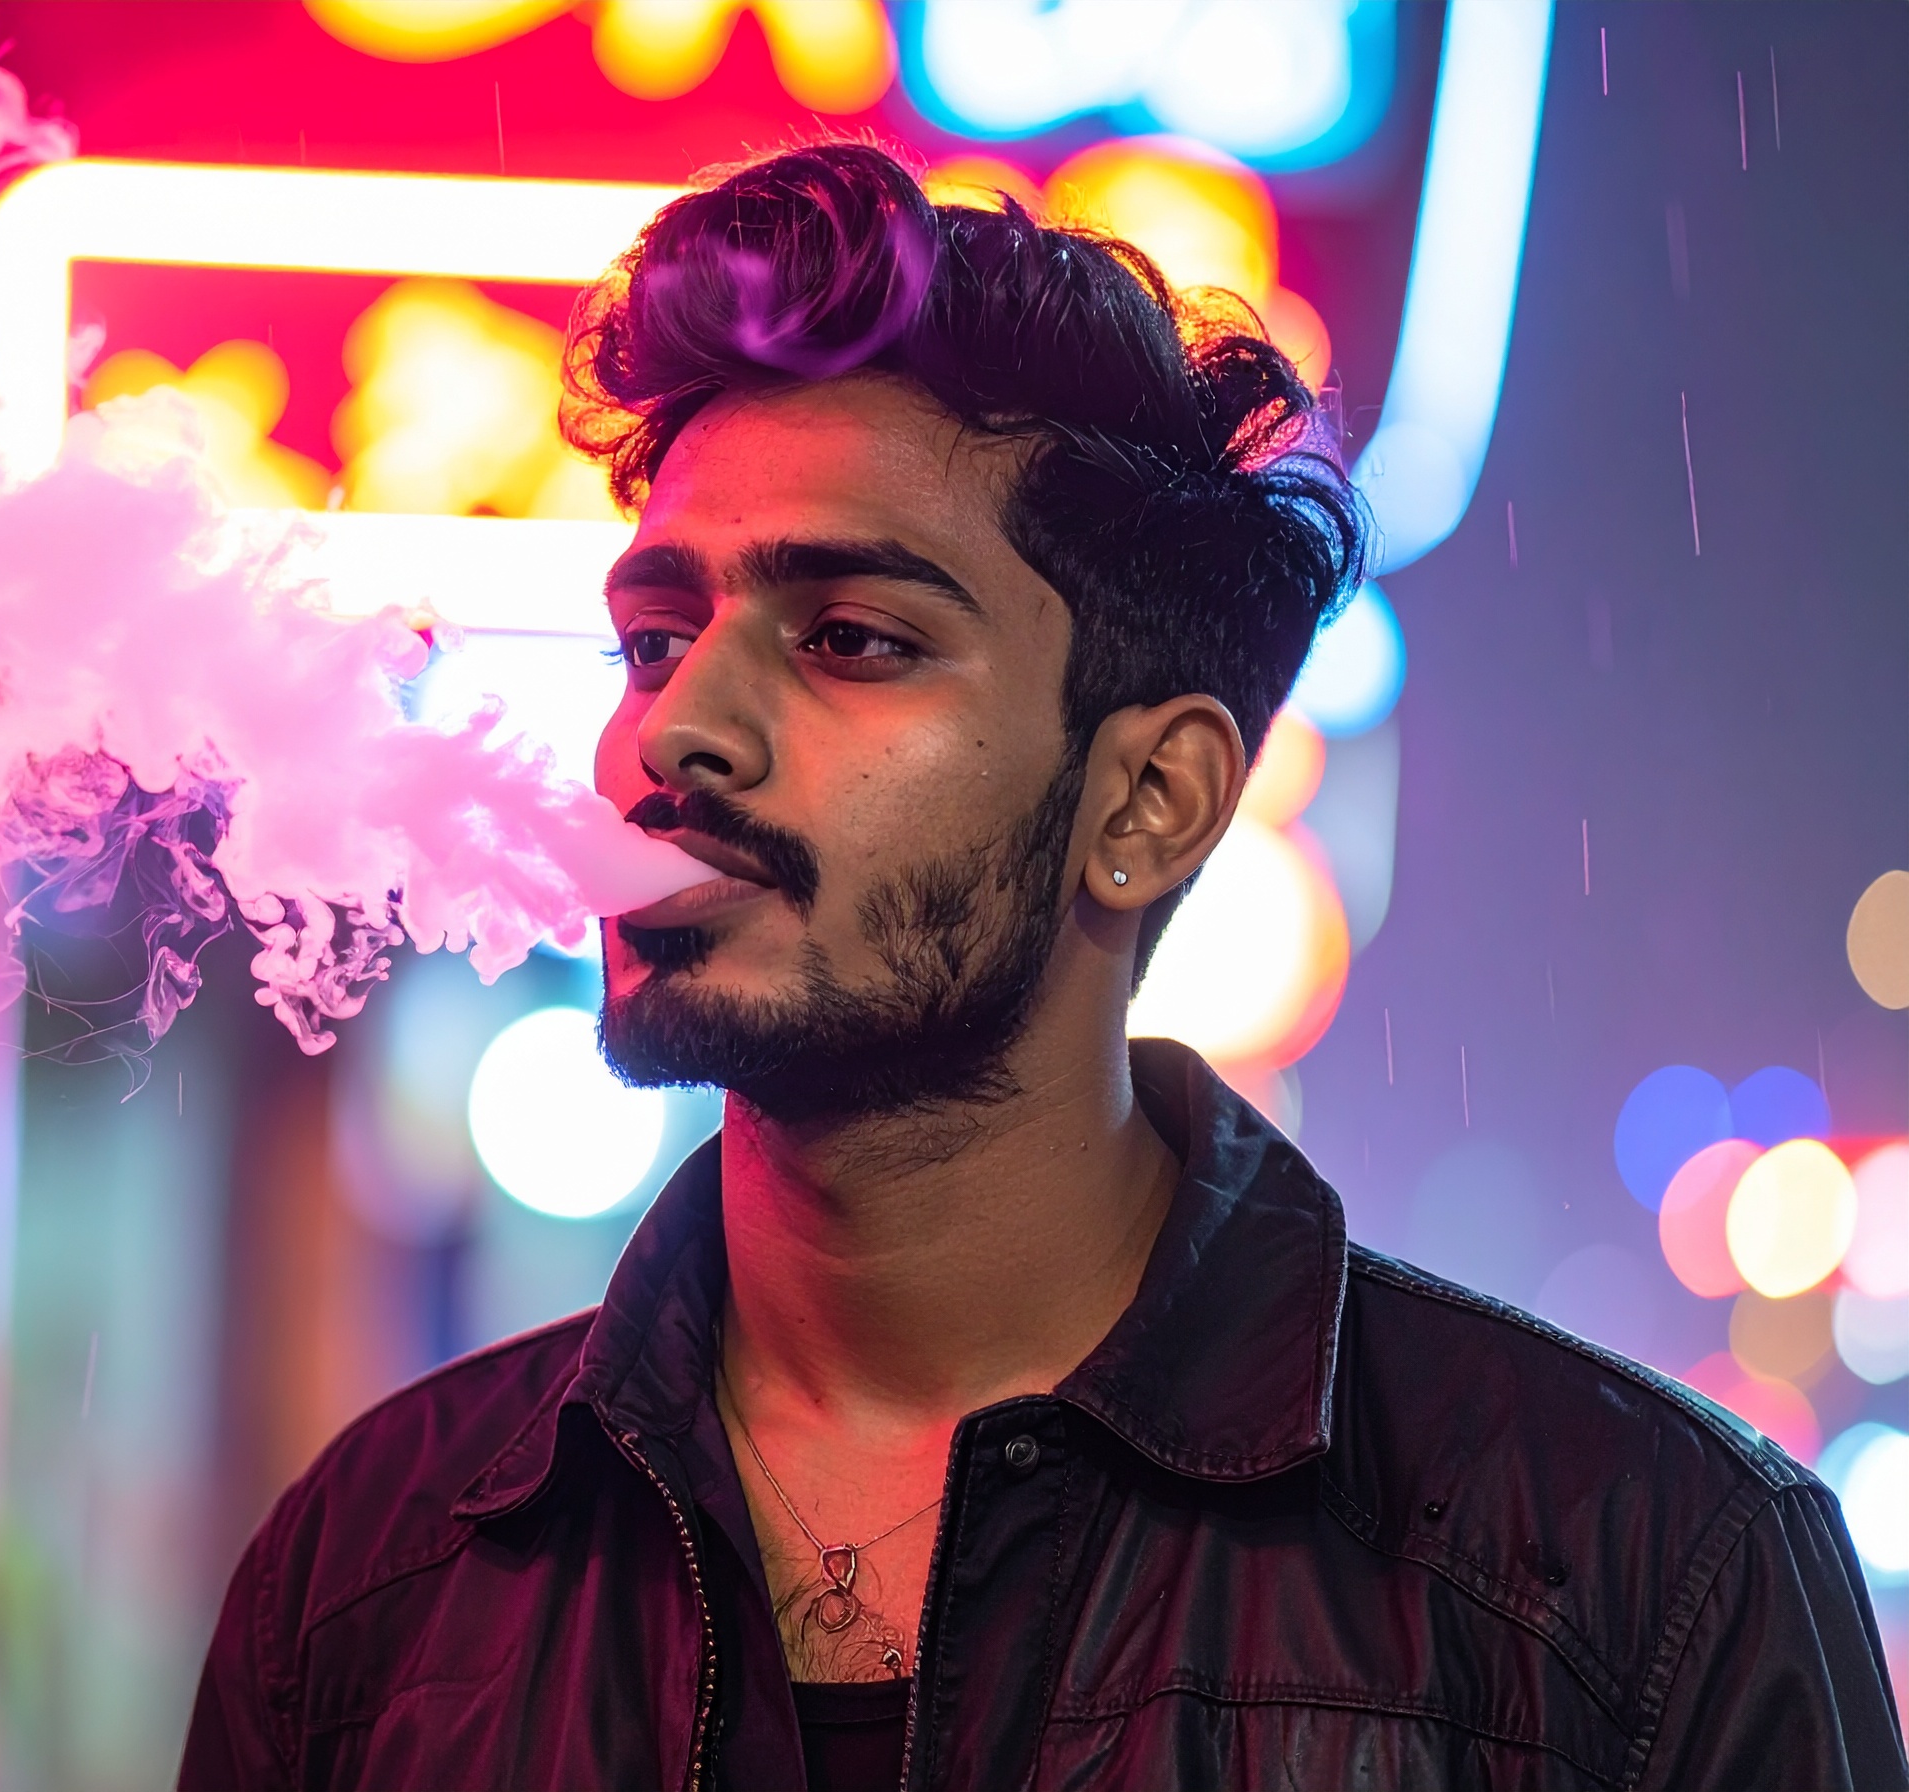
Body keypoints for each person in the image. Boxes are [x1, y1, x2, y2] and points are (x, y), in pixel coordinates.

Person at [180, 143, 1906, 1792]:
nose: (675, 731)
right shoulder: (368, 1580)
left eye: (852, 639)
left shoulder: (1638, 1582)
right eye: (656, 638)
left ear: (1149, 801)